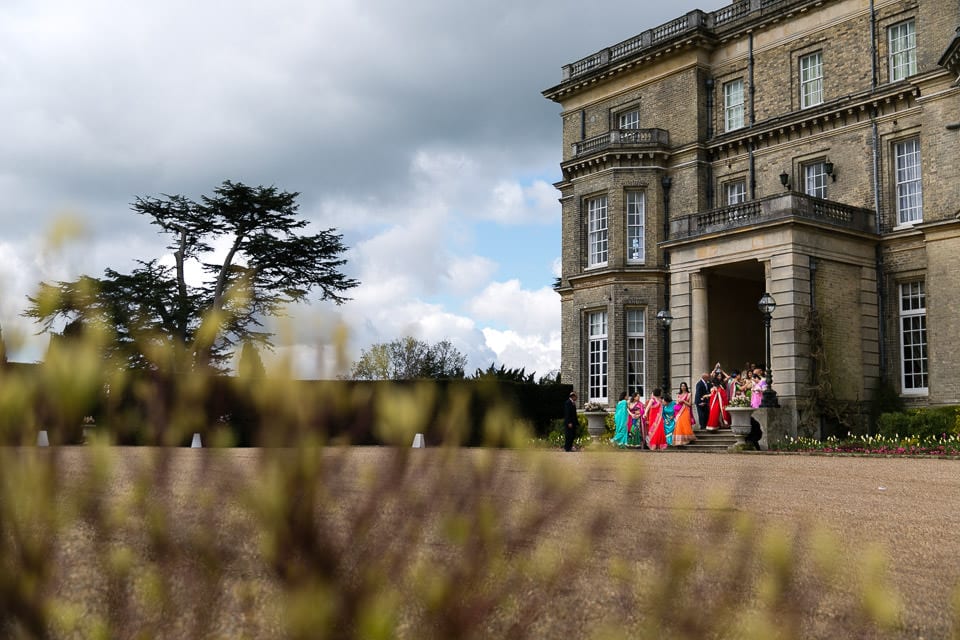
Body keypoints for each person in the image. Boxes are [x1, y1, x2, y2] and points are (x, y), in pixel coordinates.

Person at [671, 382, 697, 446]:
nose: (683, 387)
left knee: (685, 424)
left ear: (686, 387)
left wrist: (683, 401)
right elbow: (677, 404)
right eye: (682, 386)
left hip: (686, 410)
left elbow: (690, 404)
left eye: (684, 386)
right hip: (679, 411)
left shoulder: (689, 394)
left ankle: (687, 439)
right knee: (679, 424)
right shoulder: (679, 395)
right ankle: (680, 440)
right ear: (680, 387)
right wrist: (678, 402)